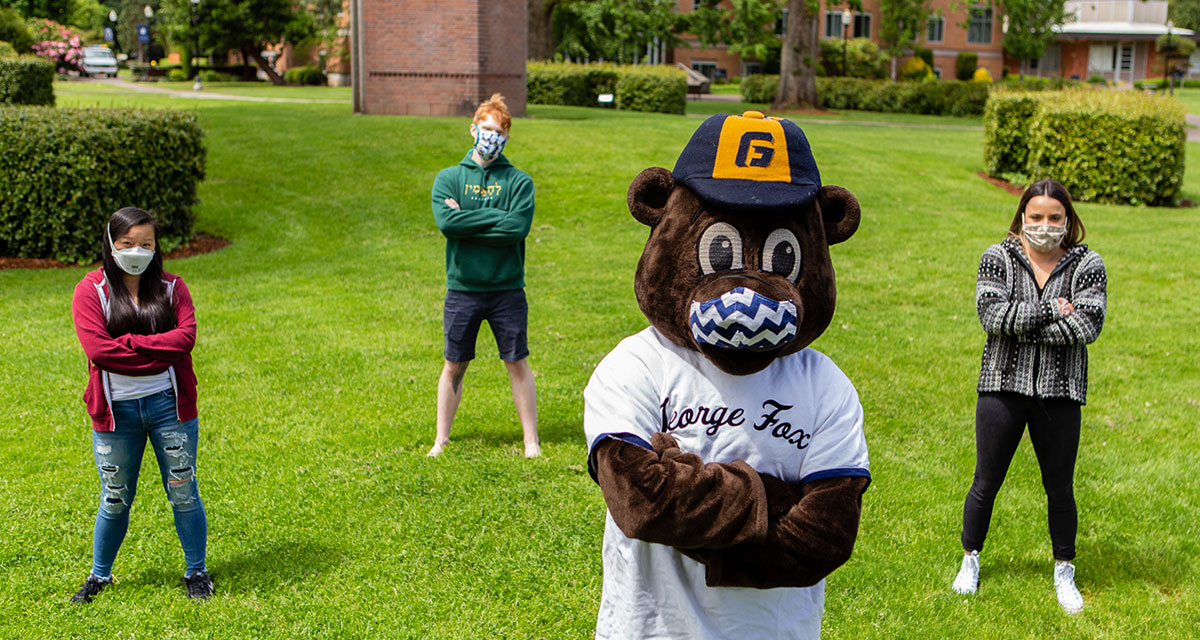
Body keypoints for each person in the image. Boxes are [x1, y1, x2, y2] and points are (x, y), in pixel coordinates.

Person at [952, 179, 1107, 614]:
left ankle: (1064, 571)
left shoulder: (1087, 263)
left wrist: (1027, 323)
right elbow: (992, 315)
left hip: (1060, 391)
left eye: (1054, 218)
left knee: (1059, 488)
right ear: (1022, 216)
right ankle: (970, 560)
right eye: (1036, 217)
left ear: (1068, 220)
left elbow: (1088, 326)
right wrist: (1054, 309)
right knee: (986, 482)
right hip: (1002, 385)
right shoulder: (996, 258)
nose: (1044, 225)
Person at [69, 207, 212, 602]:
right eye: (127, 243)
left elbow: (185, 339)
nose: (137, 251)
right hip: (117, 414)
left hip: (170, 407)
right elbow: (99, 351)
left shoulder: (172, 287)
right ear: (111, 245)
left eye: (145, 244)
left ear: (156, 247)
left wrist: (128, 344)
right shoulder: (91, 291)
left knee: (184, 491)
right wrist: (154, 350)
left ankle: (196, 571)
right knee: (114, 499)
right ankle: (100, 576)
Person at [428, 93, 540, 458]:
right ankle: (441, 441)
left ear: (507, 138)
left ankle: (531, 442)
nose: (492, 136)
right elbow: (447, 223)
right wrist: (496, 215)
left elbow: (516, 228)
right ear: (473, 129)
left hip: (507, 288)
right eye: (487, 129)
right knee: (453, 364)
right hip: (463, 288)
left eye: (500, 133)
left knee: (517, 362)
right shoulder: (449, 178)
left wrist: (469, 221)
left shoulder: (519, 182)